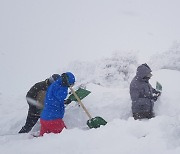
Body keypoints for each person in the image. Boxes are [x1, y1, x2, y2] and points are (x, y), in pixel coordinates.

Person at [40, 72, 75, 136]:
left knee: (43, 141)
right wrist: (65, 86)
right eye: (70, 84)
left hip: (44, 118)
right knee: (64, 137)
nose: (70, 86)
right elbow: (61, 96)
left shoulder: (55, 84)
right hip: (53, 120)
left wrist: (64, 101)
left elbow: (55, 99)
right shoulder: (61, 87)